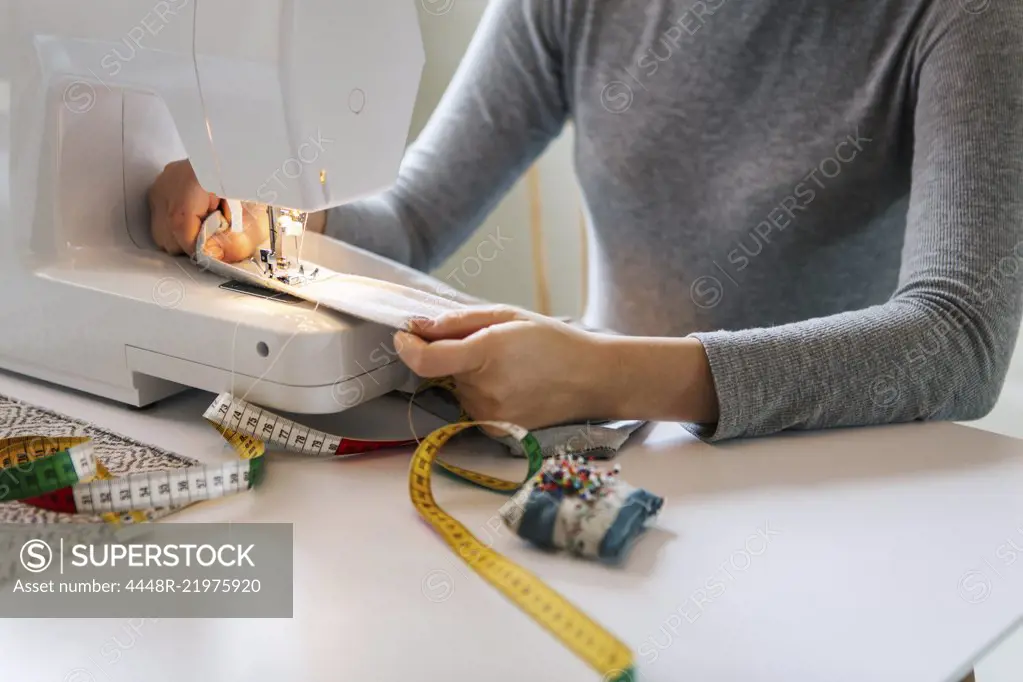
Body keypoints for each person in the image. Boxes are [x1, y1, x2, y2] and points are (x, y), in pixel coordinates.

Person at [148, 0, 1023, 441]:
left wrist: (610, 376)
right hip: (631, 476)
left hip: (855, 494)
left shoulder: (969, 18)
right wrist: (278, 201)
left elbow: (959, 341)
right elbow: (415, 218)